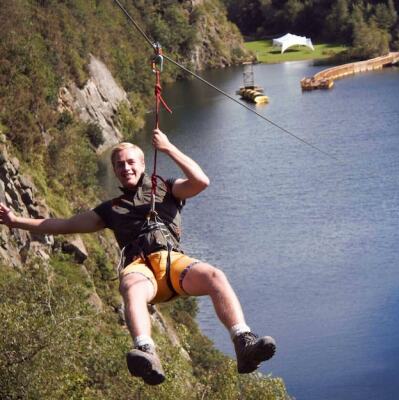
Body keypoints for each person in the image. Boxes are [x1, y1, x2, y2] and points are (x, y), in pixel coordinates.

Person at [0, 129, 276, 385]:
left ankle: (243, 342)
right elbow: (63, 225)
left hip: (172, 263)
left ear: (143, 164)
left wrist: (168, 148)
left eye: (131, 162)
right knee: (130, 285)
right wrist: (16, 221)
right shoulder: (110, 209)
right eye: (120, 165)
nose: (126, 168)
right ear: (116, 172)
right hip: (142, 269)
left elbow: (200, 181)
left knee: (215, 276)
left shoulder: (166, 189)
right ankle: (146, 350)